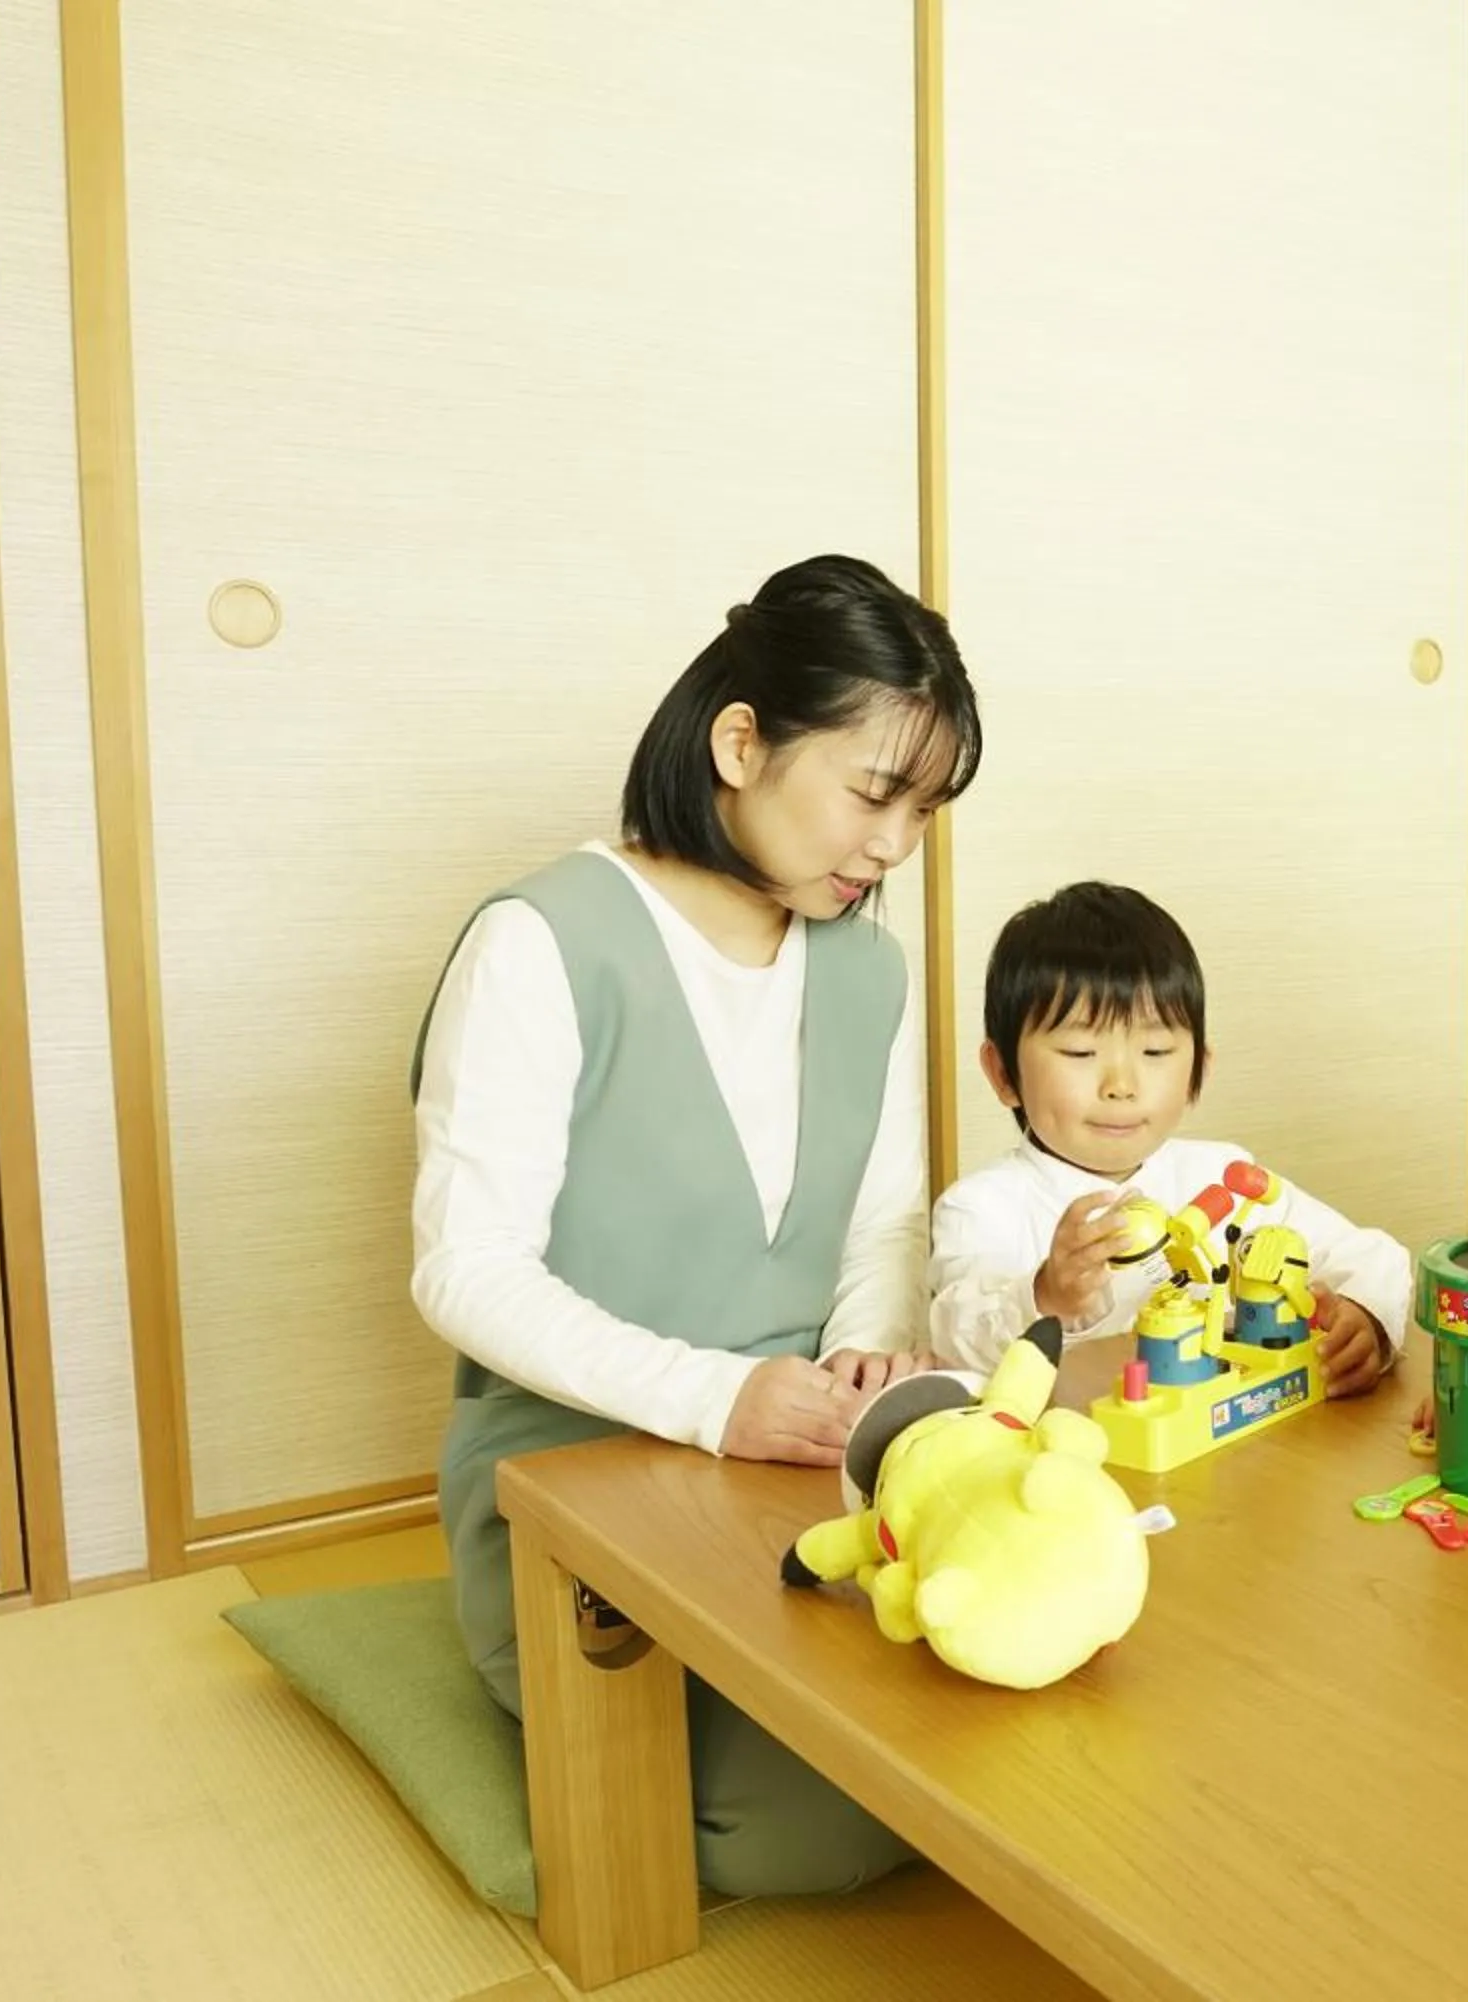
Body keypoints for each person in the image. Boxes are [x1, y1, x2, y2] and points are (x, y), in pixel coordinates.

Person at [411, 553, 976, 1893]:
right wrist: (720, 1399)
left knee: (1010, 1670)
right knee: (801, 1824)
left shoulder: (871, 965)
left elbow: (884, 1216)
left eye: (925, 811)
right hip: (575, 1465)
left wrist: (864, 1358)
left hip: (807, 1450)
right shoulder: (544, 941)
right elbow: (465, 1264)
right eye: (872, 791)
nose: (893, 846)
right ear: (741, 741)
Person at [925, 881, 1410, 1391]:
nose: (1121, 1086)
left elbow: (1366, 1255)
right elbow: (955, 1334)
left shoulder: (1227, 1178)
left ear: (1198, 1070)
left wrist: (1367, 1320)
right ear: (1003, 1074)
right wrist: (1045, 1296)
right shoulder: (981, 1207)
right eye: (1079, 1054)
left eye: (1154, 1052)